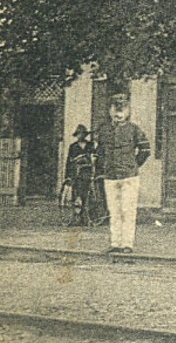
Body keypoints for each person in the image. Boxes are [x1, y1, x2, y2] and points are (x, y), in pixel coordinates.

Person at [97, 93, 151, 253]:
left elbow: (145, 150)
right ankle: (115, 243)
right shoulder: (104, 130)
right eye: (115, 109)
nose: (118, 114)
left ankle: (127, 244)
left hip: (129, 176)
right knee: (113, 211)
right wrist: (104, 167)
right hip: (110, 176)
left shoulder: (134, 130)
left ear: (127, 111)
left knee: (128, 211)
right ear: (109, 111)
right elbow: (100, 152)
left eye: (122, 109)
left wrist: (133, 165)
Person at [61, 125, 98, 222]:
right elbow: (69, 161)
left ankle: (87, 216)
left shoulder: (90, 145)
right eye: (78, 134)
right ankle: (76, 215)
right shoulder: (73, 146)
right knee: (76, 193)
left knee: (86, 193)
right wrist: (67, 176)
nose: (80, 136)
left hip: (87, 172)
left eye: (82, 134)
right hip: (76, 172)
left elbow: (94, 157)